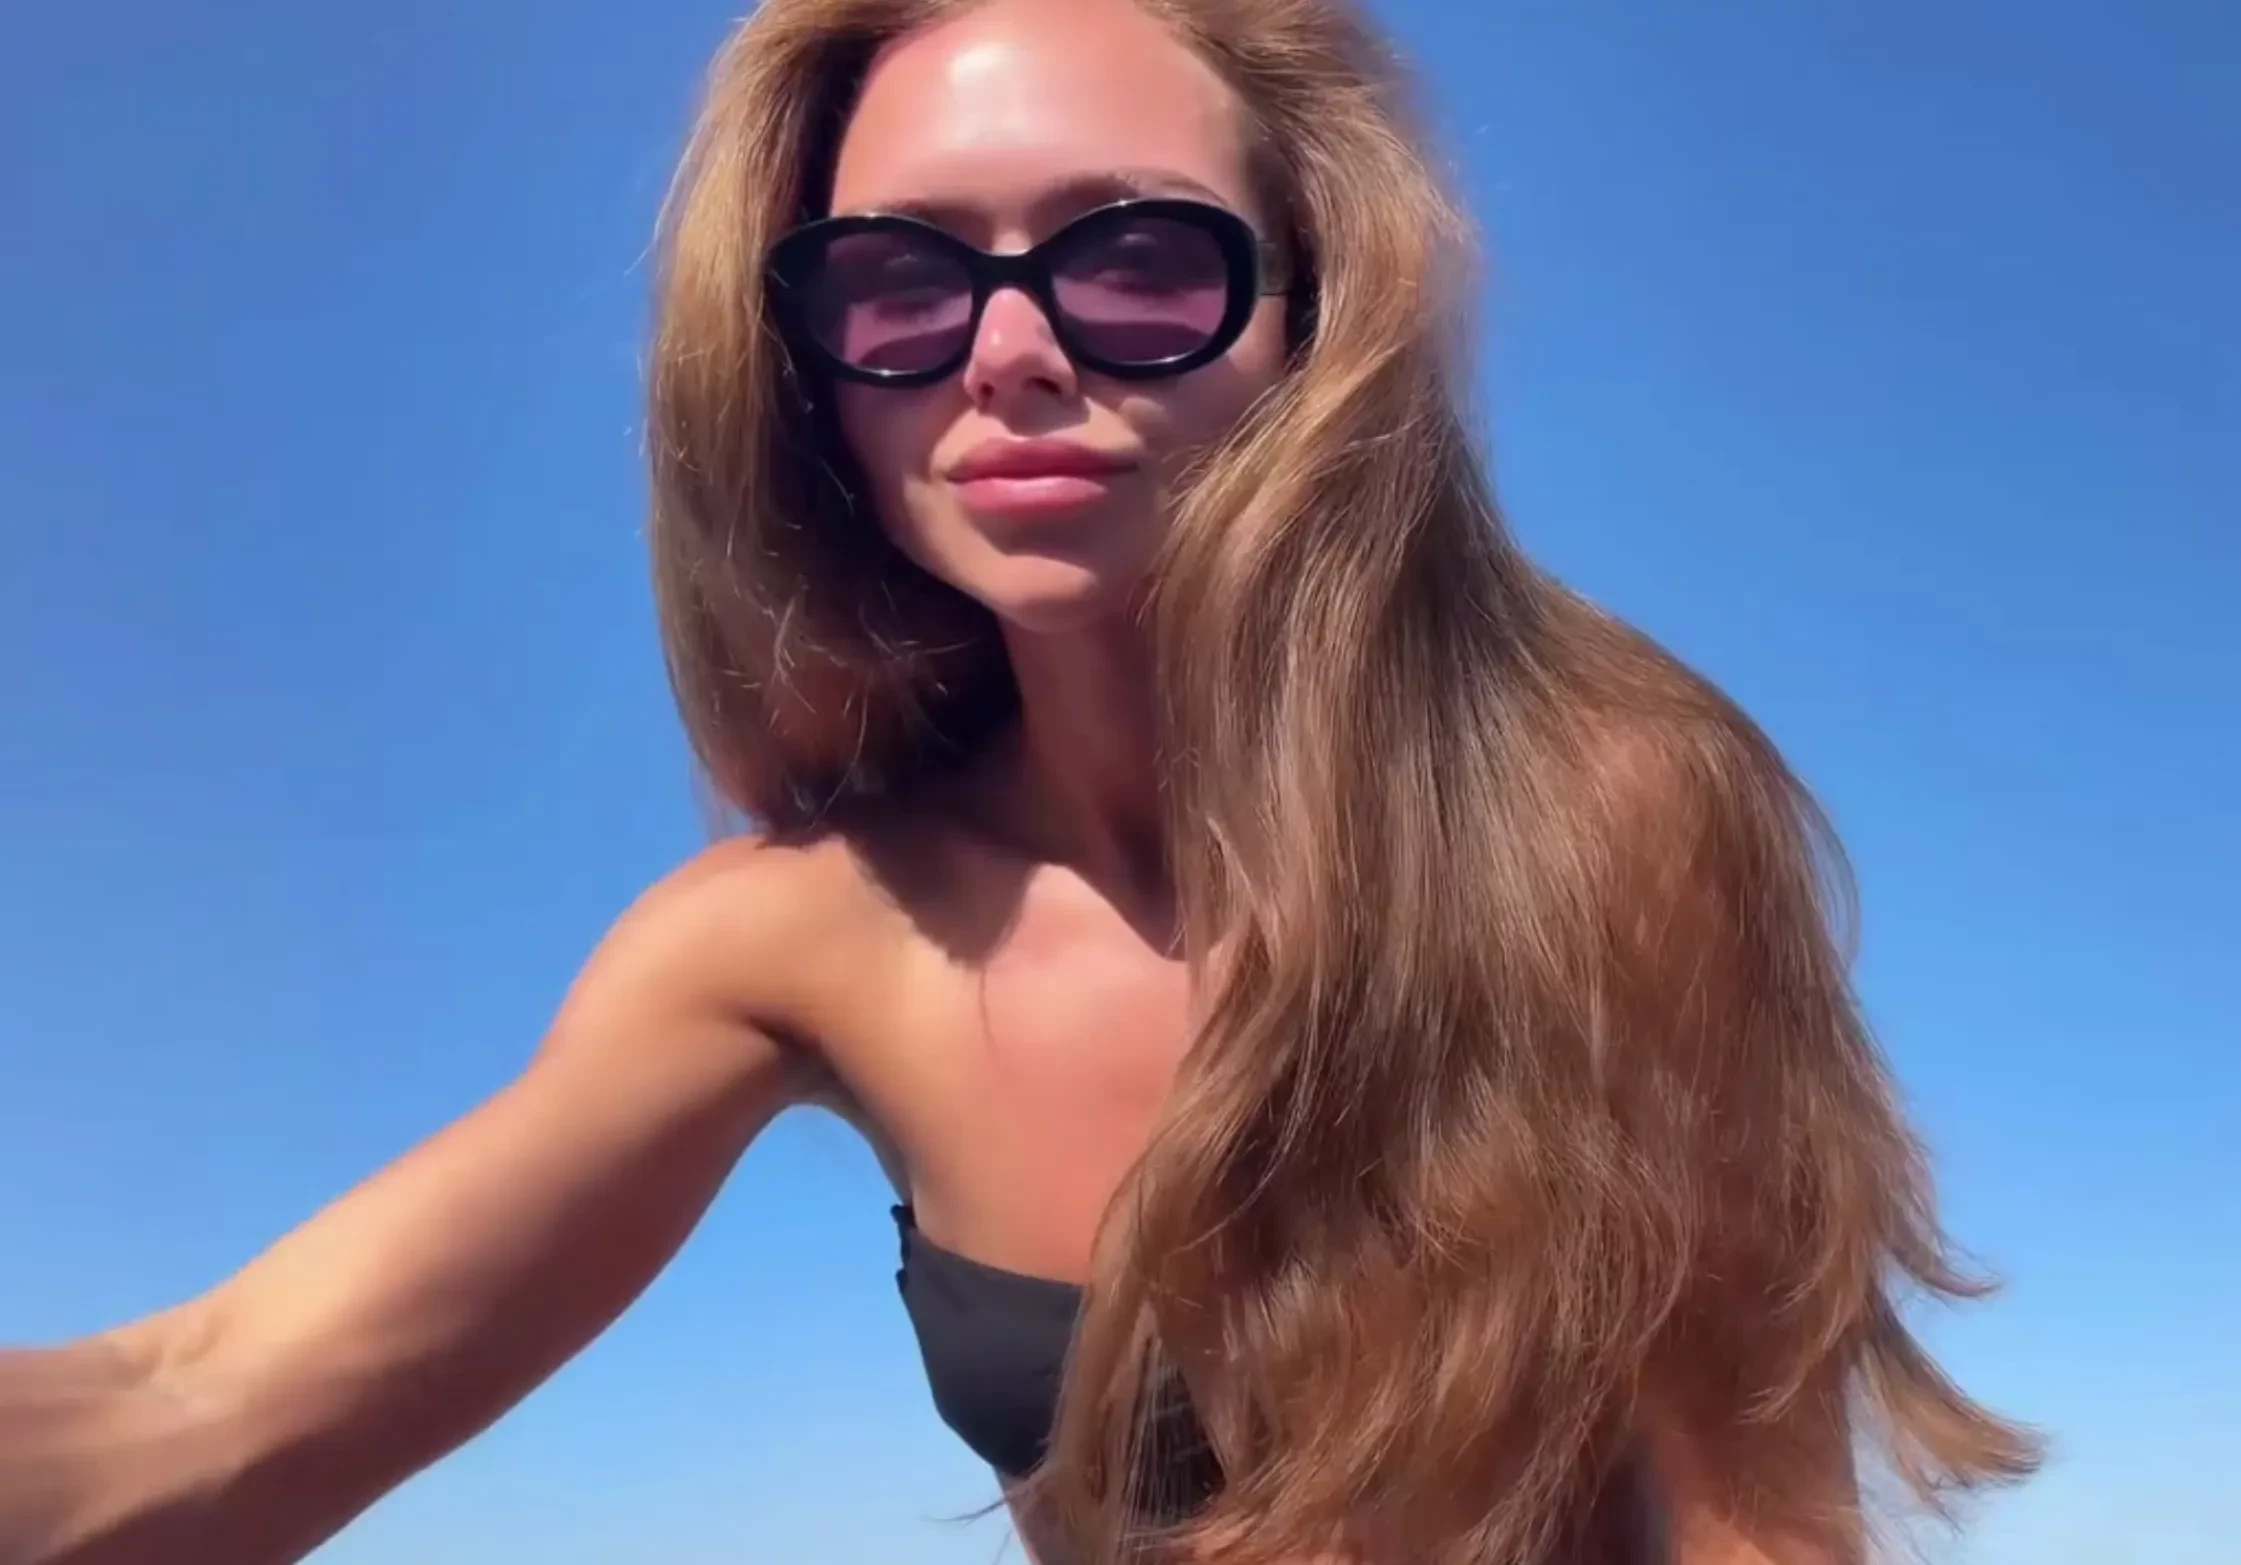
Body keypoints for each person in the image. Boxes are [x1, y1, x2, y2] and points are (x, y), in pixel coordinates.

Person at [0, 0, 2042, 1561]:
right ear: (807, 380)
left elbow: (1759, 1514)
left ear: (1313, 309)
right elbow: (203, 1403)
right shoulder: (794, 942)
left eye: (1134, 259)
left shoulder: (1614, 814)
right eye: (895, 286)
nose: (1005, 354)